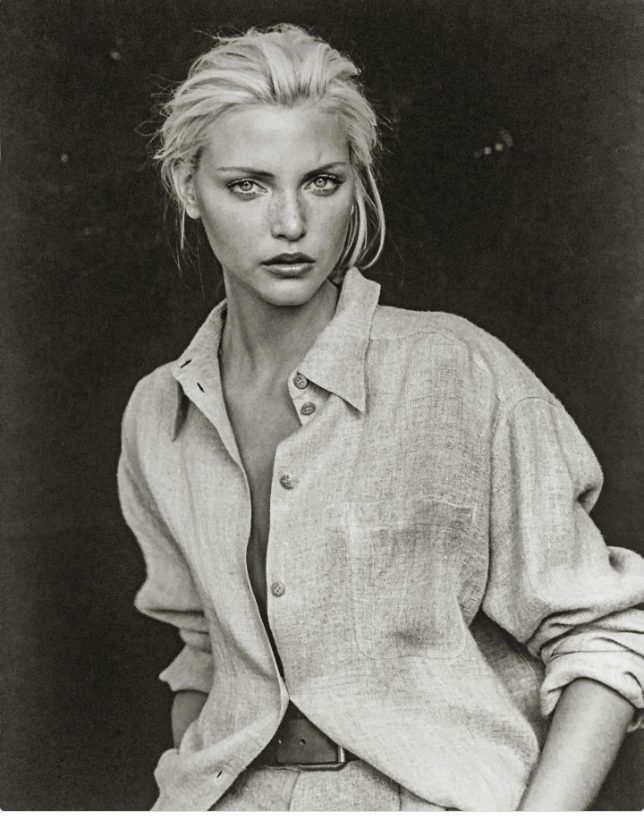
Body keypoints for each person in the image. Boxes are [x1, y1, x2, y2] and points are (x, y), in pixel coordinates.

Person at [117, 23, 644, 811]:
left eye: (321, 182)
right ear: (189, 189)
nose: (290, 223)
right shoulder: (159, 414)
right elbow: (202, 654)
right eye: (248, 185)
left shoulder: (459, 371)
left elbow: (604, 634)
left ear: (356, 186)